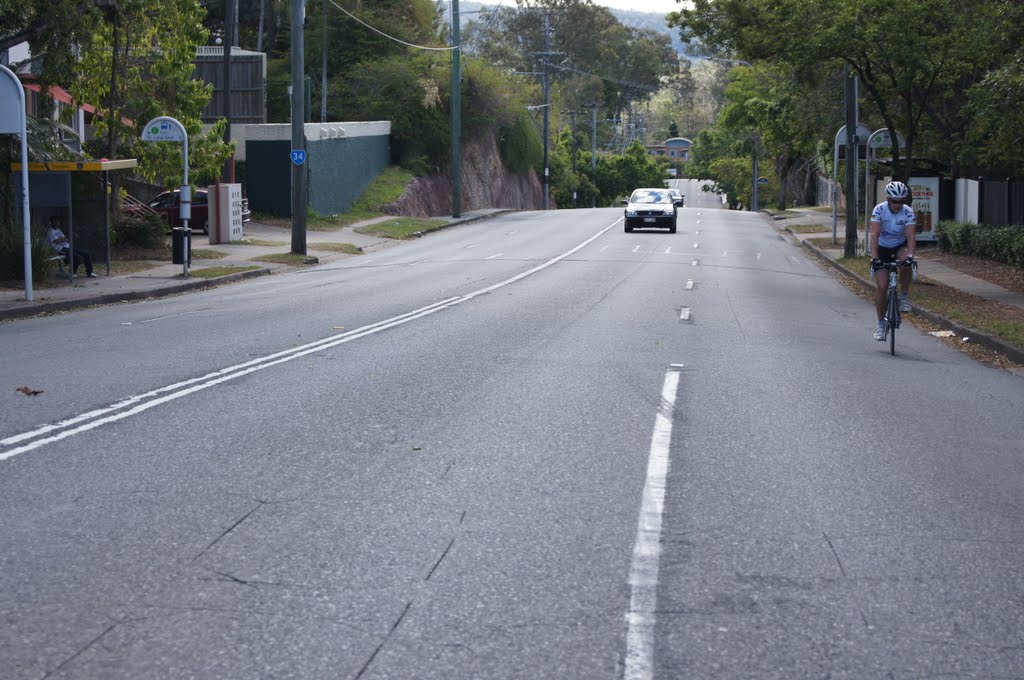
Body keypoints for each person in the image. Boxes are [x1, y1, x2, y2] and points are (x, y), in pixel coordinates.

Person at [869, 180, 916, 340]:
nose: (898, 205)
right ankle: (881, 324)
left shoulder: (908, 211)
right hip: (882, 248)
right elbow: (874, 235)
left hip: (898, 246)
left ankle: (903, 296)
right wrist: (875, 258)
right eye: (895, 201)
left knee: (906, 261)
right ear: (888, 199)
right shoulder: (879, 210)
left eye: (901, 201)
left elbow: (910, 236)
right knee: (882, 286)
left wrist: (911, 257)